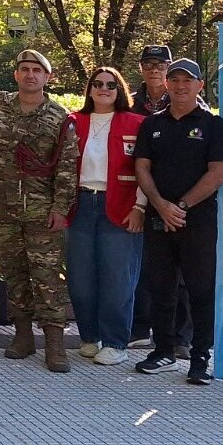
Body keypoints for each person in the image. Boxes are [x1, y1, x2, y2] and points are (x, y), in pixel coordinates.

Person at [0, 49, 79, 372]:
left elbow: (67, 166)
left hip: (41, 211)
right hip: (4, 207)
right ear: (16, 74)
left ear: (47, 77)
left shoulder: (58, 117)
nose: (30, 74)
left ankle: (55, 343)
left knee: (47, 277)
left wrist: (61, 208)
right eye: (24, 69)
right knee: (14, 273)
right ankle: (21, 335)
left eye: (37, 70)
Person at [134, 58, 223, 386]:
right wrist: (161, 206)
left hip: (198, 220)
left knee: (200, 289)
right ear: (167, 84)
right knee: (161, 287)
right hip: (159, 218)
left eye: (187, 80)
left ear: (199, 86)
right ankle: (162, 350)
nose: (180, 86)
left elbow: (217, 174)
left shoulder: (213, 125)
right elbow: (142, 168)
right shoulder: (152, 124)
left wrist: (182, 205)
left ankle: (200, 357)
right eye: (174, 80)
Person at [66, 66, 146, 367]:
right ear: (89, 89)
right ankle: (89, 337)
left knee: (117, 278)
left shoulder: (137, 123)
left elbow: (145, 170)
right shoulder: (73, 121)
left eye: (111, 84)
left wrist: (140, 207)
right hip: (81, 205)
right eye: (97, 84)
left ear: (119, 89)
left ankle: (115, 342)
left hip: (122, 207)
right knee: (80, 277)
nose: (104, 89)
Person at [129, 43, 193, 357]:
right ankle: (140, 329)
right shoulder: (128, 102)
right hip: (139, 196)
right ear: (141, 68)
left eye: (160, 64)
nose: (154, 69)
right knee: (143, 268)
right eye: (149, 64)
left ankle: (181, 338)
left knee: (181, 273)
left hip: (182, 200)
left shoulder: (188, 99)